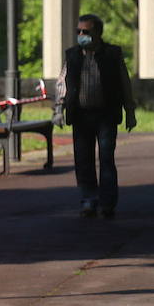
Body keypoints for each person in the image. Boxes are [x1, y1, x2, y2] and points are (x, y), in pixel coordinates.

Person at [54, 14, 138, 219]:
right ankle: (89, 200)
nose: (81, 35)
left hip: (106, 115)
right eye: (79, 32)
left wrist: (130, 111)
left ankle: (107, 203)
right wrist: (58, 109)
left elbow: (124, 82)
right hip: (81, 115)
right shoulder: (72, 55)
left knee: (106, 158)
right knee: (83, 160)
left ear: (98, 33)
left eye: (86, 31)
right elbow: (62, 82)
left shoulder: (112, 54)